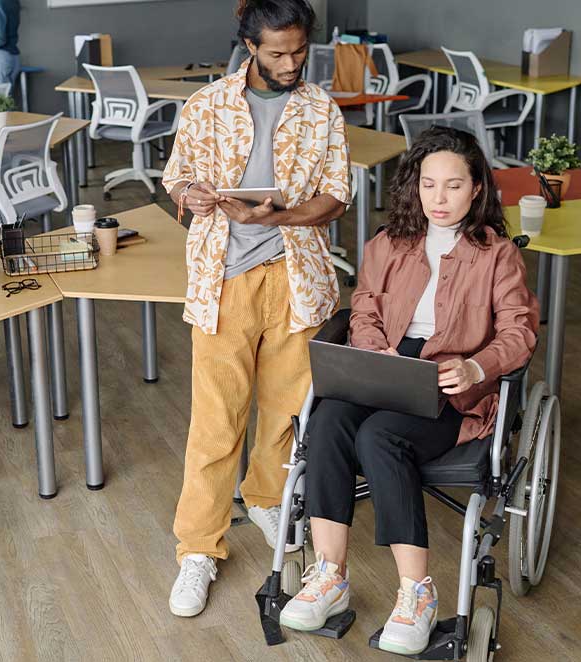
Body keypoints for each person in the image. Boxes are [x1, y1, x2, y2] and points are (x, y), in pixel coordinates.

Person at [278, 126, 539, 655]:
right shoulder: (387, 244)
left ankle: (416, 594)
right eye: (428, 185)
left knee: (378, 438)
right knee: (325, 422)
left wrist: (475, 366)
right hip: (385, 368)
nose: (439, 199)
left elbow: (519, 332)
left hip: (449, 388)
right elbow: (366, 307)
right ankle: (330, 576)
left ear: (478, 190)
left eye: (453, 186)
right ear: (413, 187)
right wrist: (378, 353)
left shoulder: (497, 255)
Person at [162, 0, 351, 618]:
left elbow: (335, 198)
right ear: (249, 46)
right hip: (224, 280)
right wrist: (191, 193)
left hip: (299, 280)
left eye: (299, 51)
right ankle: (198, 549)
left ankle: (268, 498)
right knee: (216, 422)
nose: (291, 63)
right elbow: (177, 179)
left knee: (286, 414)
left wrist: (282, 215)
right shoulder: (205, 105)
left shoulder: (321, 109)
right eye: (277, 53)